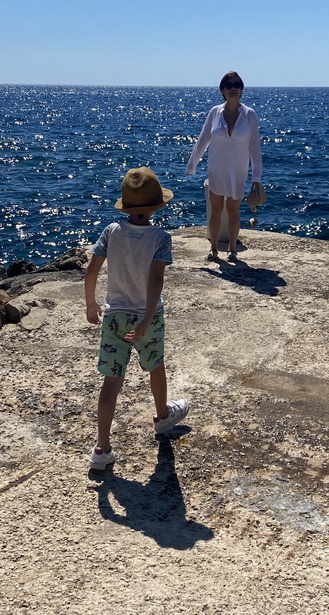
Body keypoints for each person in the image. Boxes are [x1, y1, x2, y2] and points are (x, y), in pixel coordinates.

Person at [84, 166, 190, 470]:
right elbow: (156, 280)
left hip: (114, 316)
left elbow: (91, 271)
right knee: (155, 365)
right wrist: (145, 319)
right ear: (156, 205)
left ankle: (102, 449)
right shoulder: (160, 237)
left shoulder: (111, 232)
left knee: (111, 381)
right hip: (149, 317)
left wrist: (91, 305)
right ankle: (162, 416)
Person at [185, 71, 263, 262]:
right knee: (216, 210)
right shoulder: (215, 112)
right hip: (217, 169)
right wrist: (192, 166)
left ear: (242, 89)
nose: (233, 88)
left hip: (238, 171)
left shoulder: (249, 114)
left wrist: (256, 178)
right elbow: (203, 140)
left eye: (237, 84)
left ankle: (232, 250)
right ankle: (213, 249)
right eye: (228, 85)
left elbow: (255, 146)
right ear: (222, 90)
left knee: (234, 209)